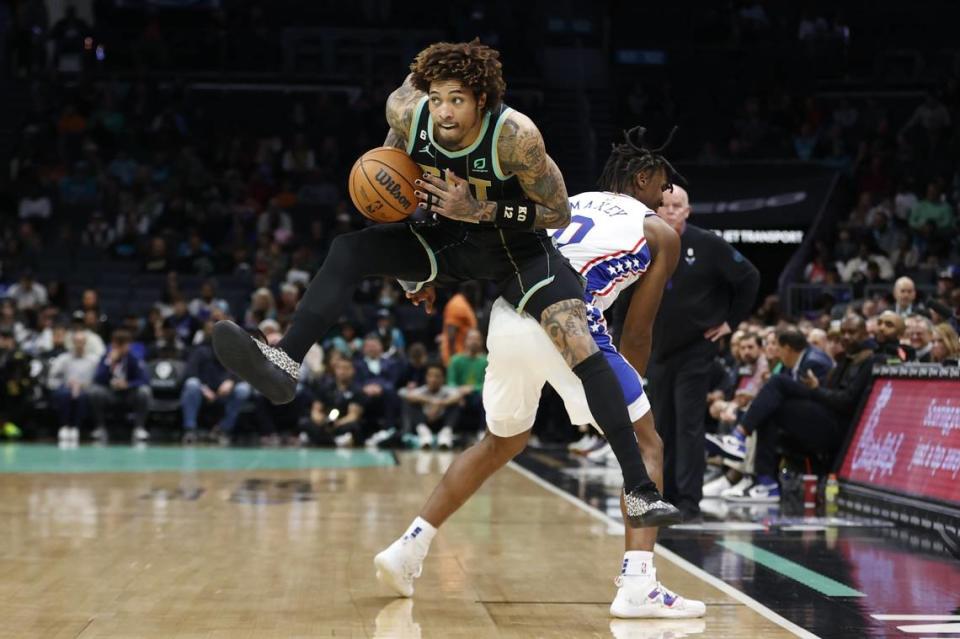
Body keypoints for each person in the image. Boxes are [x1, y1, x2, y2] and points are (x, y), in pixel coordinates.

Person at [212, 40, 673, 522]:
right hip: (450, 239)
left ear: (481, 100)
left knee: (579, 342)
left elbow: (555, 213)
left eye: (457, 99)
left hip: (519, 251)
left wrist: (483, 209)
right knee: (350, 249)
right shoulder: (408, 113)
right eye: (437, 98)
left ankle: (639, 488)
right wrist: (410, 268)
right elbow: (395, 158)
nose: (445, 111)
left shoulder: (516, 136)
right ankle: (286, 360)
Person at [375, 127, 704, 619]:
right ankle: (639, 584)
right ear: (643, 178)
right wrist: (624, 399)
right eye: (663, 186)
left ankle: (407, 548)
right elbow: (637, 331)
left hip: (509, 315)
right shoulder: (660, 232)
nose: (665, 196)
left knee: (499, 441)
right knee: (646, 442)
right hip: (571, 322)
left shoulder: (570, 200)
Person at [643, 184, 760, 519]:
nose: (671, 211)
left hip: (697, 348)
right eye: (664, 206)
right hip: (658, 349)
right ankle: (662, 494)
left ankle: (689, 500)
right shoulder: (645, 244)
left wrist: (730, 322)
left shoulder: (707, 244)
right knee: (660, 425)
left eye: (677, 206)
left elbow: (749, 277)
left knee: (689, 423)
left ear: (688, 211)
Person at [716, 316, 885, 501]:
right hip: (826, 413)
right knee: (771, 407)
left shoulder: (869, 360)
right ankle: (766, 482)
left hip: (839, 428)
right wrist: (817, 387)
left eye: (851, 332)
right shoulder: (846, 358)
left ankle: (740, 437)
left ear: (865, 333)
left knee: (778, 382)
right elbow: (831, 391)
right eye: (843, 332)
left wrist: (816, 389)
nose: (845, 337)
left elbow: (846, 402)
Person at [88, 328, 152, 443]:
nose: (127, 347)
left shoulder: (133, 357)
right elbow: (97, 379)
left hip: (128, 393)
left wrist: (128, 384)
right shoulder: (106, 357)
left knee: (144, 391)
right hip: (110, 392)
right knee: (95, 392)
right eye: (120, 345)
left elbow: (144, 380)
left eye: (127, 344)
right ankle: (100, 428)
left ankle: (139, 428)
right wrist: (109, 363)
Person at [48, 329, 97, 445]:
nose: (79, 344)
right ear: (72, 343)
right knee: (65, 394)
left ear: (85, 343)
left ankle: (75, 427)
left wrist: (82, 386)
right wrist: (66, 385)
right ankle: (64, 426)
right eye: (77, 341)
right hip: (65, 388)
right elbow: (52, 378)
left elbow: (98, 380)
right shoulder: (63, 359)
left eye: (82, 341)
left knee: (82, 396)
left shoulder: (93, 360)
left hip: (85, 389)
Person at [399, 362, 463, 449]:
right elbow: (408, 395)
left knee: (457, 405)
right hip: (424, 422)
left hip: (442, 423)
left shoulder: (446, 390)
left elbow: (458, 396)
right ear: (426, 377)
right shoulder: (422, 390)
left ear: (443, 378)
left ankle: (445, 434)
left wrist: (441, 403)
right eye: (430, 376)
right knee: (409, 404)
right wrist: (430, 401)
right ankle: (424, 435)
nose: (433, 379)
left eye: (437, 376)